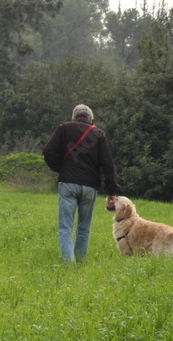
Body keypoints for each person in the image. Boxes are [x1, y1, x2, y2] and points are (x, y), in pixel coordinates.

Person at [42, 104, 121, 263]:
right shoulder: (98, 134)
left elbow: (48, 151)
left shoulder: (64, 128)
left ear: (74, 118)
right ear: (91, 119)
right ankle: (80, 261)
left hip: (68, 183)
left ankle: (68, 263)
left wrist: (60, 169)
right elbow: (107, 163)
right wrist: (111, 190)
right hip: (90, 186)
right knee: (84, 228)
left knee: (65, 228)